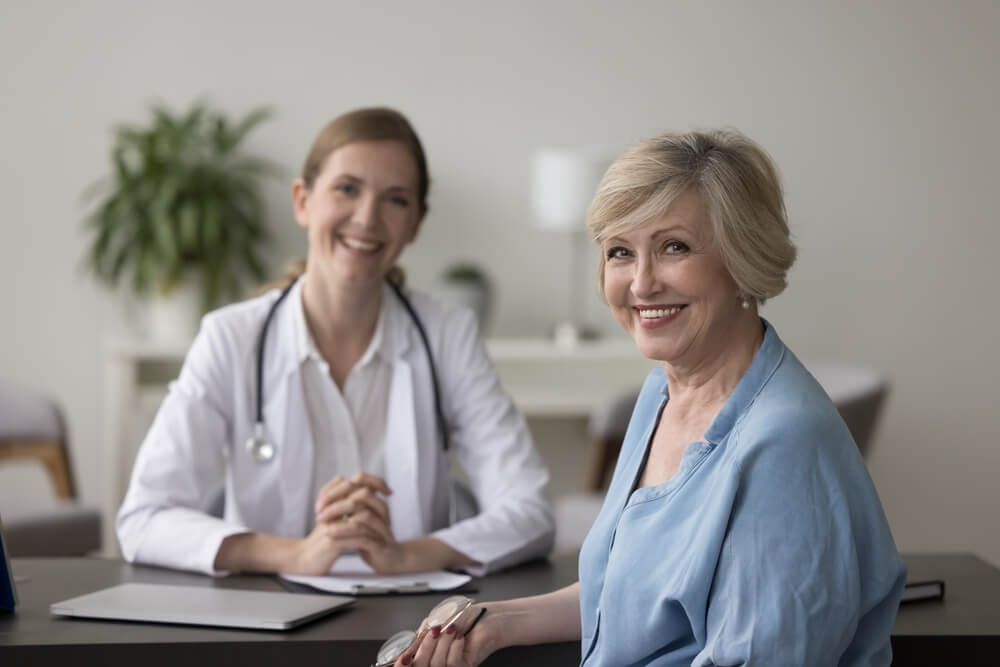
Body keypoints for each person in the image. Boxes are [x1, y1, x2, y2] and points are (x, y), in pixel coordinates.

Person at [396, 129, 906, 666]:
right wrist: (497, 622)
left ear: (741, 259)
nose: (640, 284)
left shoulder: (784, 444)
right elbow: (628, 597)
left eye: (674, 248)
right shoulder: (662, 391)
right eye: (620, 252)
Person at [116, 107, 554, 577]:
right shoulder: (231, 338)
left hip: (411, 623)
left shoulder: (448, 334)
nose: (367, 218)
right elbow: (144, 519)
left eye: (396, 200)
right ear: (303, 201)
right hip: (265, 624)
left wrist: (407, 555)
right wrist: (296, 555)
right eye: (347, 189)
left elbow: (531, 512)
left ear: (416, 223)